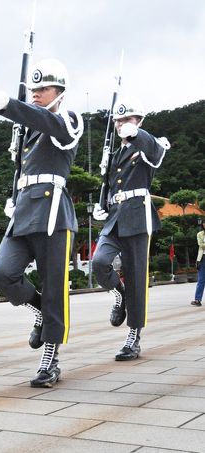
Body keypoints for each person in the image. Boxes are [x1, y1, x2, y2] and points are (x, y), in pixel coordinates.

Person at [0, 58, 84, 387]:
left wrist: (12, 107)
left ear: (61, 92)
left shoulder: (68, 120)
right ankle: (39, 309)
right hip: (25, 210)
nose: (37, 94)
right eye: (34, 89)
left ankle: (50, 358)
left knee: (55, 286)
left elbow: (49, 123)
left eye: (43, 89)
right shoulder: (28, 130)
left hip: (53, 211)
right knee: (2, 271)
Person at [92, 98, 170, 361]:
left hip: (137, 217)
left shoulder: (148, 144)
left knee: (136, 276)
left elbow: (157, 155)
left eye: (126, 120)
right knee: (99, 261)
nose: (120, 124)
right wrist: (101, 205)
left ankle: (133, 337)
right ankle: (119, 295)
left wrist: (137, 134)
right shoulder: (113, 155)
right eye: (117, 120)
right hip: (115, 217)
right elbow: (111, 185)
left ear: (138, 121)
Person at [191, 221, 205, 306]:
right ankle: (197, 300)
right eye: (204, 223)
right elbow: (201, 245)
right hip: (202, 258)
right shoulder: (200, 234)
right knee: (201, 280)